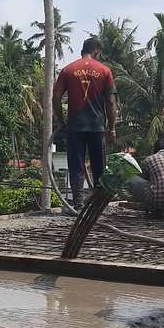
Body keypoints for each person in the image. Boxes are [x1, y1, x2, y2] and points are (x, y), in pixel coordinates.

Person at [53, 36, 118, 208]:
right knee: (99, 166)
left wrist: (60, 120)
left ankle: (78, 203)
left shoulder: (67, 70)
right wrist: (112, 128)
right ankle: (97, 205)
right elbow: (111, 103)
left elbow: (56, 98)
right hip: (97, 126)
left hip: (75, 126)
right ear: (96, 51)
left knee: (76, 165)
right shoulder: (105, 71)